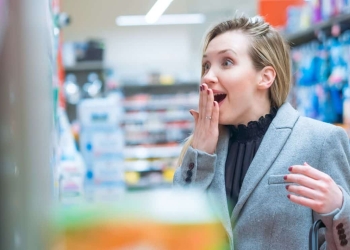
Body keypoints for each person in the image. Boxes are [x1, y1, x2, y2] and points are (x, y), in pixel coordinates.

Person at [173, 15, 350, 250]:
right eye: (206, 65)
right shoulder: (202, 150)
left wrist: (339, 210)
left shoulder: (321, 140)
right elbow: (178, 230)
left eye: (226, 62)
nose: (208, 76)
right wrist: (201, 153)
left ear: (265, 77)